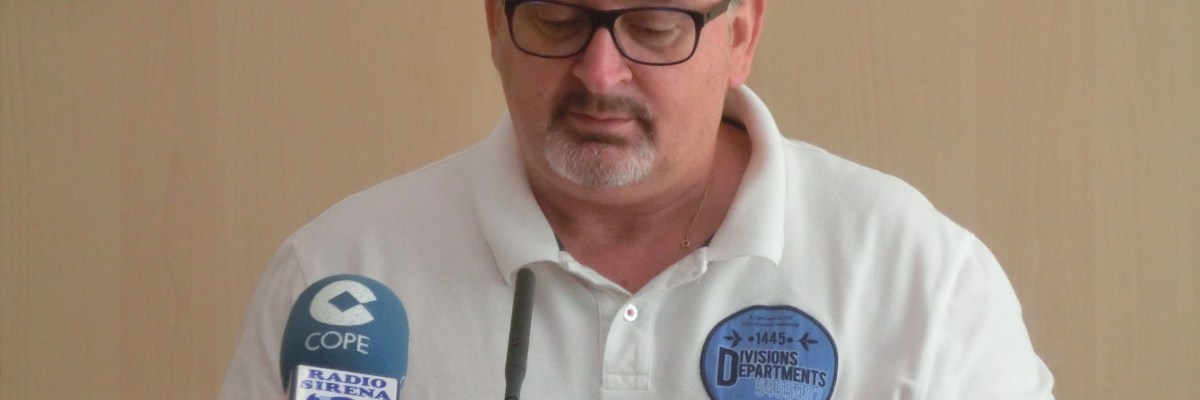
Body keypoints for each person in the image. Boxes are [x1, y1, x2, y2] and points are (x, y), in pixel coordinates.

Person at [220, 0, 1055, 398]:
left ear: (740, 35)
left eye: (654, 27)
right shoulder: (340, 279)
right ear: (495, 25)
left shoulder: (920, 280)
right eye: (556, 20)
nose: (599, 73)